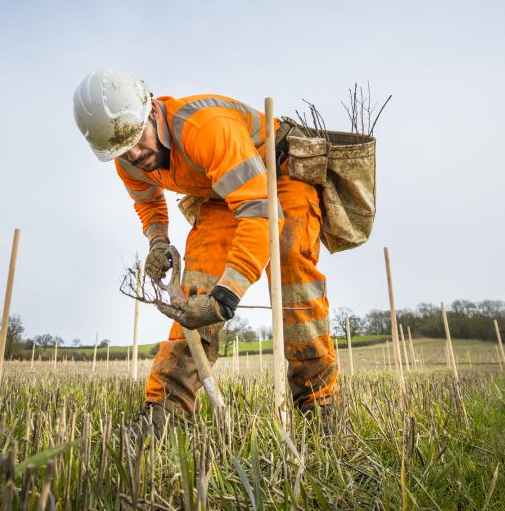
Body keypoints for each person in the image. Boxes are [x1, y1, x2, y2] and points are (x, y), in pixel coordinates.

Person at [74, 70, 338, 426]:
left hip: (280, 174)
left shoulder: (204, 128)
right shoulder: (126, 158)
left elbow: (260, 210)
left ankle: (319, 405)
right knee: (194, 287)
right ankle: (165, 408)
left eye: (137, 139)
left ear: (152, 110)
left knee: (292, 270)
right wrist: (158, 241)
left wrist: (226, 296)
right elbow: (147, 202)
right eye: (122, 150)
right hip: (217, 190)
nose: (134, 154)